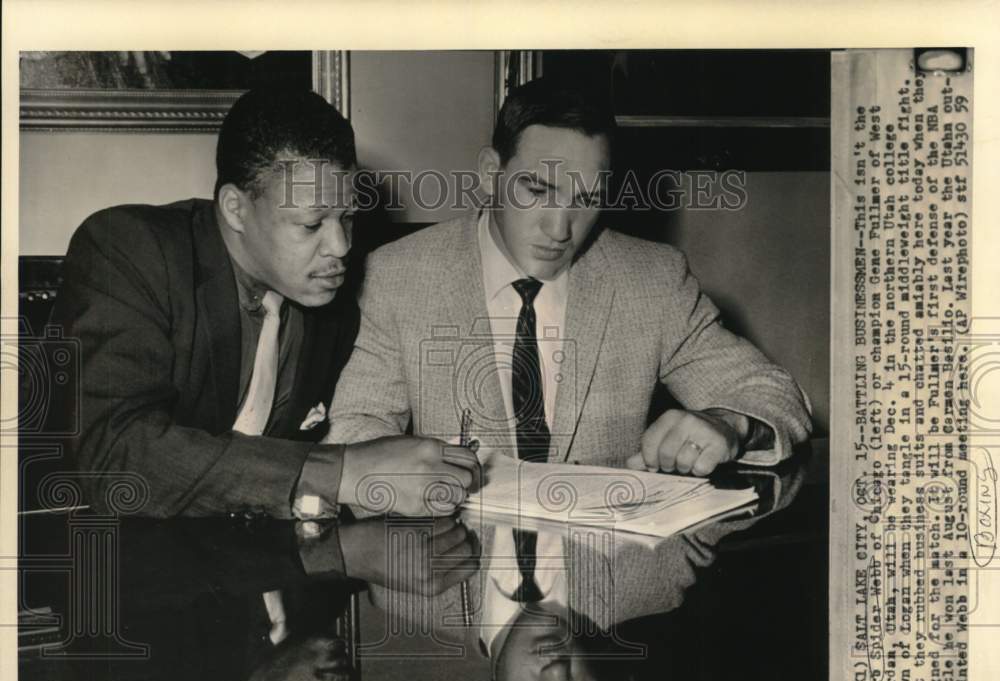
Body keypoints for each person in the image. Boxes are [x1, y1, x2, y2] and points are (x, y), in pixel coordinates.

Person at [325, 78, 812, 475]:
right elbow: (355, 428)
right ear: (490, 173)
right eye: (537, 190)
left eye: (585, 198)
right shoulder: (397, 275)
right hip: (452, 574)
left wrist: (727, 422)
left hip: (600, 580)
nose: (560, 230)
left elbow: (772, 392)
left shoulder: (653, 280)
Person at [51, 87, 477, 518]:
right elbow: (113, 457)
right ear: (236, 209)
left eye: (348, 216)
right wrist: (337, 472)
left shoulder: (340, 293)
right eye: (312, 224)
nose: (341, 245)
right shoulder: (128, 249)